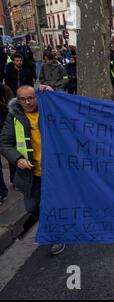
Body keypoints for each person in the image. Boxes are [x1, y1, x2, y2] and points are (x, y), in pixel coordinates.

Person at [0, 85, 65, 255]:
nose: (27, 102)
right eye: (23, 99)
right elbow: (5, 143)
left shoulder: (50, 109)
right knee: (31, 207)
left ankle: (55, 234)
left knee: (55, 205)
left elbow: (69, 113)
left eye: (31, 98)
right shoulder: (13, 117)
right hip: (31, 174)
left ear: (36, 97)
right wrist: (18, 159)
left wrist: (54, 94)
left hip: (56, 171)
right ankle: (51, 225)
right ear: (18, 100)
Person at [0, 83, 14, 204]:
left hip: (6, 129)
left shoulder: (5, 89)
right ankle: (1, 192)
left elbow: (13, 108)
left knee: (12, 156)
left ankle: (15, 180)